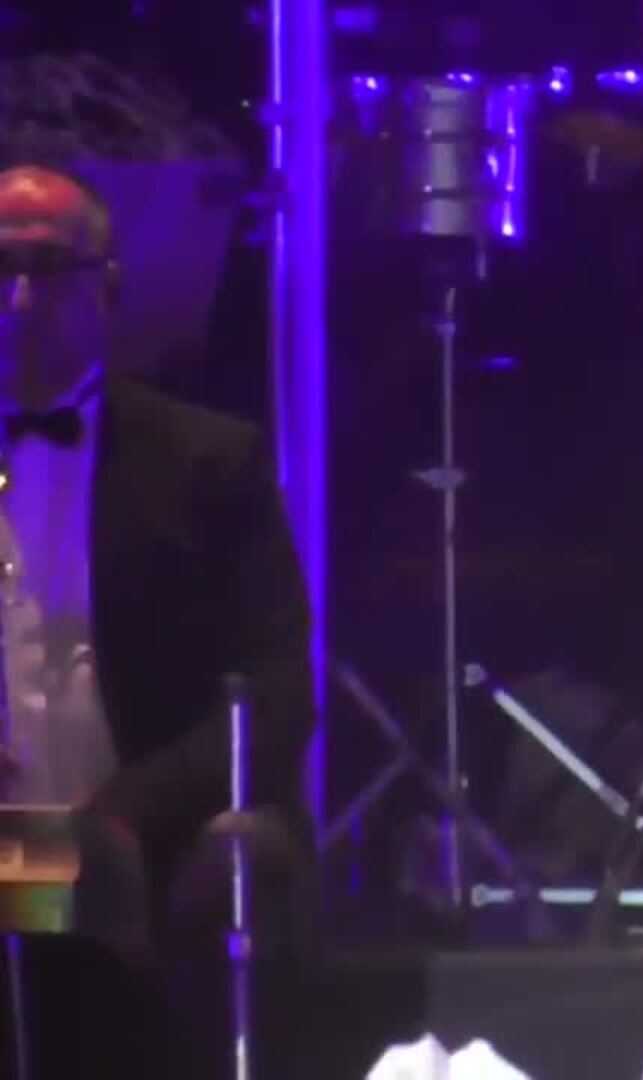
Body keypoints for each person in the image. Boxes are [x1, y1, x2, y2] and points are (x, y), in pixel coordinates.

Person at [0, 160, 315, 1076]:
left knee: (218, 864)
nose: (20, 301)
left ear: (106, 286)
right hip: (15, 849)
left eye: (48, 271)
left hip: (151, 834)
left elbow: (279, 692)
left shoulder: (207, 461)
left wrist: (125, 813)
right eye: (1, 270)